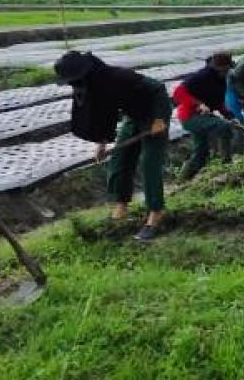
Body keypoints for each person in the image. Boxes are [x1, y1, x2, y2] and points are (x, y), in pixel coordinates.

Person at [55, 50, 172, 242]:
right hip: (133, 115)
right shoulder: (93, 87)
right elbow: (104, 115)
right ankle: (121, 205)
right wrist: (101, 143)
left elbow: (158, 88)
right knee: (120, 159)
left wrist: (159, 119)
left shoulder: (118, 76)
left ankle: (155, 214)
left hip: (153, 111)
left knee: (149, 162)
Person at [171, 53, 237, 181]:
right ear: (220, 68)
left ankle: (182, 181)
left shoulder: (221, 80)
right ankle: (226, 163)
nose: (227, 72)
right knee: (223, 126)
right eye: (226, 69)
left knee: (201, 153)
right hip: (190, 117)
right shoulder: (202, 76)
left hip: (203, 117)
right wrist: (199, 104)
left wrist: (228, 115)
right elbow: (178, 93)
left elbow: (218, 102)